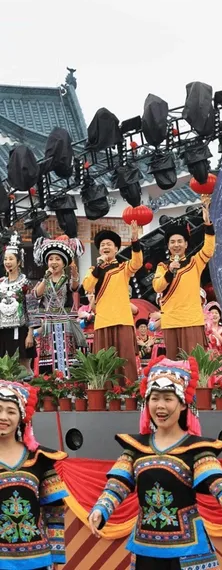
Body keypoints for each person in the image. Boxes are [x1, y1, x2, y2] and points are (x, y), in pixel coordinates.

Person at [87, 357, 222, 569]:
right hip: (145, 546)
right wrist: (101, 508)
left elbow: (218, 484)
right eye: (154, 398)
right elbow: (116, 486)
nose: (160, 406)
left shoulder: (196, 448)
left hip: (189, 548)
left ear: (183, 404)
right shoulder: (136, 447)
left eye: (168, 399)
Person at [0, 380, 68, 570]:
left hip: (37, 560)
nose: (3, 417)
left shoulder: (39, 459)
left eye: (11, 411)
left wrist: (56, 554)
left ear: (22, 417)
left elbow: (54, 511)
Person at [152, 196, 214, 357]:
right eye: (172, 242)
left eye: (180, 241)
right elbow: (157, 287)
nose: (176, 245)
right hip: (171, 321)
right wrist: (169, 271)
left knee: (193, 363)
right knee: (174, 363)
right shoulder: (163, 266)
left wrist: (207, 224)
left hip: (191, 320)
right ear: (168, 246)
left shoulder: (195, 262)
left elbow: (208, 249)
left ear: (186, 244)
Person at [82, 222, 142, 383]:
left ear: (116, 249)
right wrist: (98, 267)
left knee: (125, 358)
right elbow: (87, 286)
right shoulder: (93, 270)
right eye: (102, 245)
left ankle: (129, 390)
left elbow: (137, 263)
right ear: (99, 250)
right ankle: (106, 391)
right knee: (104, 360)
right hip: (103, 320)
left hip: (123, 319)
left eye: (109, 244)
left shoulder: (123, 268)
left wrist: (135, 240)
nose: (105, 247)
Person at [33, 236, 86, 376]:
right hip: (49, 323)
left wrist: (75, 275)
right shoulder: (44, 279)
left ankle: (69, 384)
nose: (54, 262)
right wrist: (46, 278)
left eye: (57, 259)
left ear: (64, 263)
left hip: (65, 323)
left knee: (67, 353)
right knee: (49, 354)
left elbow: (75, 288)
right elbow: (37, 294)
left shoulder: (67, 280)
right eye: (51, 259)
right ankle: (50, 385)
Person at [0, 234, 35, 370]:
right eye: (6, 259)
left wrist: (30, 334)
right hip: (2, 331)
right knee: (4, 367)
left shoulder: (25, 283)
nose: (8, 262)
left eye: (11, 259)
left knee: (23, 365)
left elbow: (31, 309)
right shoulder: (1, 283)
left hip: (21, 330)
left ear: (19, 262)